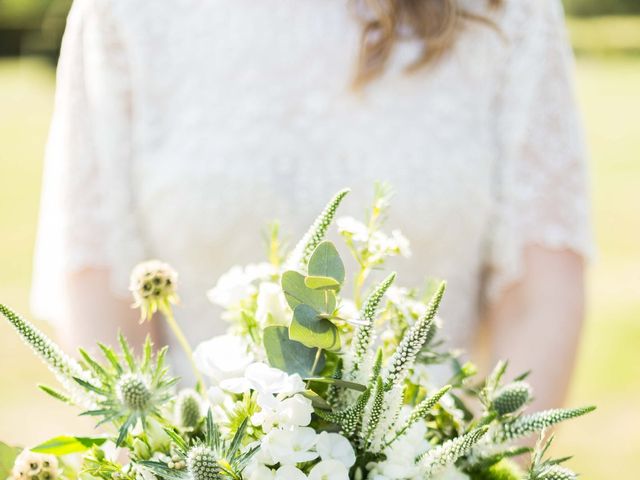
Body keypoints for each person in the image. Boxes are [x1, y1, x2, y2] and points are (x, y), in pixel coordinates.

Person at [31, 0, 592, 410]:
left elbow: (540, 295)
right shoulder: (125, 12)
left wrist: (475, 463)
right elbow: (101, 286)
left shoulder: (510, 12)